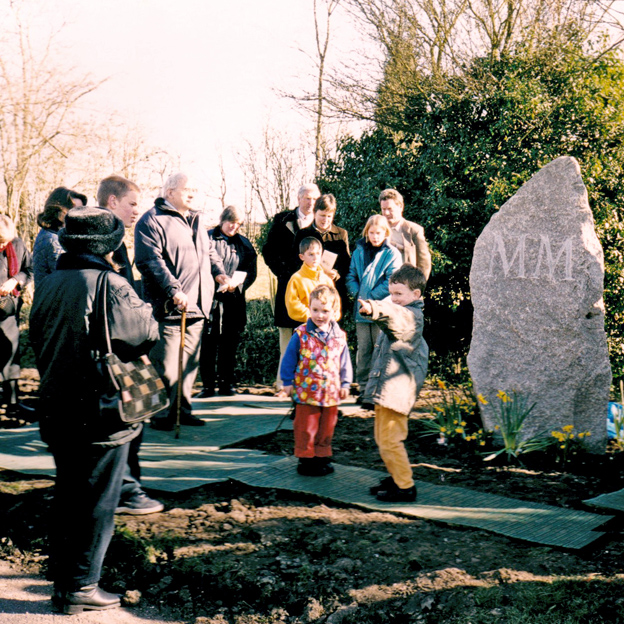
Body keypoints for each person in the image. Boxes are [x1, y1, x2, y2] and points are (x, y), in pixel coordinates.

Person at [30, 206, 160, 614]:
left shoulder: (49, 282)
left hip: (54, 406)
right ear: (111, 245)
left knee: (67, 492)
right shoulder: (112, 284)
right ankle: (81, 586)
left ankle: (63, 581)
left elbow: (38, 334)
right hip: (100, 412)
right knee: (98, 502)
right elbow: (146, 335)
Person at [134, 173, 228, 431]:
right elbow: (149, 260)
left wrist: (218, 271)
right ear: (170, 191)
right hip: (169, 307)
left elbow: (209, 251)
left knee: (188, 365)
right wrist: (173, 289)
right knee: (167, 365)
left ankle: (182, 410)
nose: (192, 193)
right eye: (187, 189)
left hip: (198, 306)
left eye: (195, 189)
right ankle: (163, 414)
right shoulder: (151, 221)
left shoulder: (197, 219)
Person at [97, 174, 163, 516]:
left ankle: (126, 487)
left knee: (132, 420)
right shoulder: (102, 240)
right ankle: (125, 491)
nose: (138, 211)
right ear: (112, 203)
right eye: (132, 204)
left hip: (120, 344)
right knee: (123, 422)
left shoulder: (114, 238)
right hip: (113, 351)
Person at [358, 264, 429, 503]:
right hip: (388, 389)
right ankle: (396, 475)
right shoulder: (405, 314)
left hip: (396, 391)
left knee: (390, 439)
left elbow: (394, 316)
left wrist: (374, 307)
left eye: (399, 294)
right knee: (384, 438)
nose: (394, 299)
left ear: (415, 295)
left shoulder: (411, 317)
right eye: (392, 294)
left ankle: (405, 486)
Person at [280, 285, 352, 476]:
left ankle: (322, 457)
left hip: (330, 392)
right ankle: (306, 460)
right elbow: (289, 359)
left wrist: (345, 383)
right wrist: (287, 382)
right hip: (306, 392)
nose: (320, 315)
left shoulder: (339, 337)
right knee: (306, 426)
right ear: (309, 309)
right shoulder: (301, 334)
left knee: (327, 427)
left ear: (335, 312)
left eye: (325, 311)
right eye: (315, 310)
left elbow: (345, 363)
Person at [262, 183, 321, 392]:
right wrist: (283, 272)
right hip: (288, 286)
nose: (311, 202)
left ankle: (309, 384)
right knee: (287, 338)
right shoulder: (282, 220)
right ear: (298, 198)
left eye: (314, 199)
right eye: (307, 198)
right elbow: (268, 250)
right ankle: (283, 384)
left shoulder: (321, 221)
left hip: (314, 290)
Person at [197, 205, 257, 397]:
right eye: (231, 222)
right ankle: (207, 385)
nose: (234, 227)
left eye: (238, 224)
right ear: (222, 220)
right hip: (210, 299)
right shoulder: (206, 239)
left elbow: (251, 271)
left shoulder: (244, 244)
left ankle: (226, 383)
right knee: (208, 343)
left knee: (229, 343)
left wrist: (237, 285)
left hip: (234, 299)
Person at [346, 214, 402, 407]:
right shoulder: (359, 251)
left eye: (379, 233)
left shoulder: (392, 253)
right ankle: (363, 389)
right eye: (371, 232)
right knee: (364, 350)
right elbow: (351, 275)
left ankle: (378, 391)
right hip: (361, 311)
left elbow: (391, 281)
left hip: (382, 309)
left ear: (385, 233)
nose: (375, 236)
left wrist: (371, 298)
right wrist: (357, 294)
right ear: (366, 233)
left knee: (381, 351)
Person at [0, 216, 34, 420]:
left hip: (7, 311)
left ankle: (13, 405)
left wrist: (14, 281)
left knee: (10, 355)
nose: (4, 246)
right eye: (0, 242)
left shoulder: (17, 244)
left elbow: (29, 270)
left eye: (6, 241)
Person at [293, 193, 350, 314]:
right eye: (322, 215)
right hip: (309, 290)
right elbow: (296, 262)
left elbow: (346, 263)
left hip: (333, 292)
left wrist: (337, 274)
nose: (326, 220)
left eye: (329, 216)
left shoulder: (341, 234)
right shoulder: (302, 234)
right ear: (314, 213)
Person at [32, 187, 87, 286]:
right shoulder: (53, 240)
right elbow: (70, 279)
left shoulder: (54, 235)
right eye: (74, 211)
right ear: (58, 211)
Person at [285, 236, 339, 326]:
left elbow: (335, 303)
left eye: (318, 254)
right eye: (311, 254)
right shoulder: (296, 279)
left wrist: (333, 315)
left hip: (326, 326)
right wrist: (313, 316)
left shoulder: (327, 280)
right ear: (302, 257)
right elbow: (293, 305)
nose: (315, 257)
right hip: (305, 326)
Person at [379, 189, 432, 279]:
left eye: (390, 209)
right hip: (380, 288)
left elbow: (424, 264)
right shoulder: (377, 230)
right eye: (383, 209)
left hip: (405, 285)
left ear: (401, 207)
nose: (386, 213)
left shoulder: (414, 231)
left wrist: (416, 287)